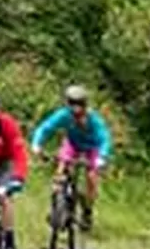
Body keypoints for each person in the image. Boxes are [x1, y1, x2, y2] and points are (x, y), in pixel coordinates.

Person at [30, 83, 112, 221]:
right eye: (72, 104)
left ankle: (88, 210)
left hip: (92, 148)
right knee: (60, 169)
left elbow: (104, 138)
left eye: (79, 104)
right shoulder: (64, 115)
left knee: (92, 177)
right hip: (72, 144)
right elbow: (45, 128)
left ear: (85, 105)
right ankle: (56, 207)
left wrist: (102, 157)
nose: (75, 109)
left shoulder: (94, 120)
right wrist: (36, 144)